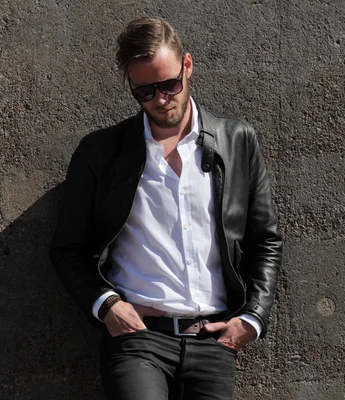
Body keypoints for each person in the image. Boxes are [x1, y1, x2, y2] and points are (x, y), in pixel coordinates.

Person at [50, 16, 282, 400]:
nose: (160, 99)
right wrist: (106, 305)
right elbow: (67, 248)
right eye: (145, 92)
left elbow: (265, 240)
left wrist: (253, 318)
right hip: (137, 339)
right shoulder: (101, 152)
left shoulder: (236, 140)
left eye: (170, 84)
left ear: (187, 65)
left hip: (213, 339)